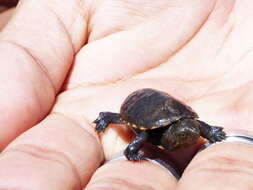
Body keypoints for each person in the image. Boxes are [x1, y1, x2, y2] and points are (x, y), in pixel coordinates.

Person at [0, 0, 253, 189]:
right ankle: (104, 117)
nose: (191, 133)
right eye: (188, 132)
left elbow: (196, 125)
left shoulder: (191, 125)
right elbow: (142, 135)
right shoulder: (149, 133)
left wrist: (211, 133)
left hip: (167, 107)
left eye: (190, 131)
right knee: (131, 126)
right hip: (138, 106)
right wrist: (132, 150)